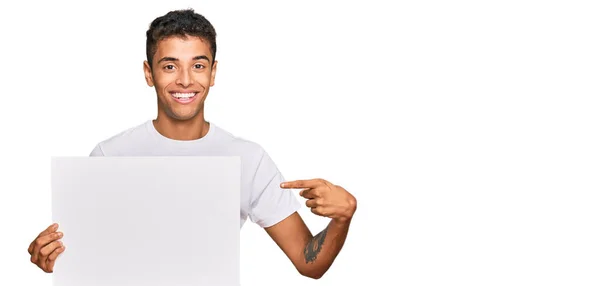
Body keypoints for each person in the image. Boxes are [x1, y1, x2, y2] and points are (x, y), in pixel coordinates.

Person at [27, 9, 357, 280]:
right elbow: (87, 259)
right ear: (148, 73)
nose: (185, 80)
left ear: (213, 73)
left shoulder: (247, 158)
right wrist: (51, 256)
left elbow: (308, 262)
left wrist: (342, 218)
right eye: (170, 66)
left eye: (198, 65)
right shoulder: (110, 155)